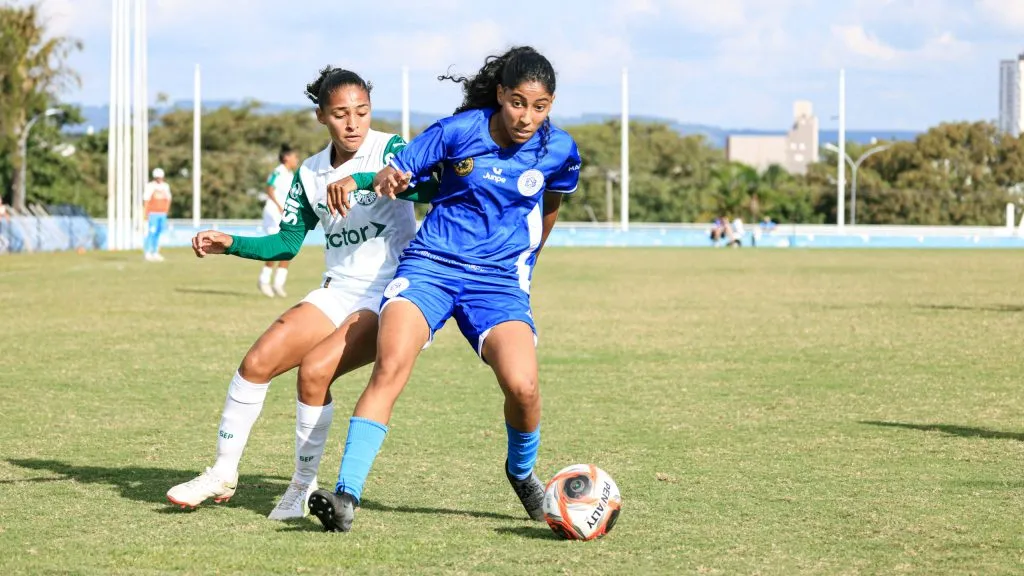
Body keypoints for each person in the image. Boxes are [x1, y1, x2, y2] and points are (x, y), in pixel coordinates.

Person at [307, 46, 582, 533]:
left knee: (523, 385)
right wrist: (389, 176)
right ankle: (346, 494)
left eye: (539, 107)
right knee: (391, 366)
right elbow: (401, 168)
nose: (526, 117)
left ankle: (520, 473)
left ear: (551, 105)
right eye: (518, 102)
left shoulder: (558, 148)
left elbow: (552, 202)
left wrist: (530, 259)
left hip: (497, 284)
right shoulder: (458, 131)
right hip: (431, 268)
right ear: (500, 95)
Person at [166, 66, 434, 520]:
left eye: (362, 112)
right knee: (256, 363)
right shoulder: (308, 173)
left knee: (314, 372)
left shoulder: (390, 148)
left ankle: (301, 486)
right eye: (341, 114)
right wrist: (231, 243)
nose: (353, 124)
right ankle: (222, 471)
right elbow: (287, 243)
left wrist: (370, 179)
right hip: (338, 290)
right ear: (321, 117)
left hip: (389, 292)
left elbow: (434, 186)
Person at [258, 144, 301, 298]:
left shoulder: (291, 175)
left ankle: (278, 283)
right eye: (295, 157)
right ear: (286, 158)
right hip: (274, 214)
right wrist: (278, 206)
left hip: (286, 215)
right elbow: (269, 188)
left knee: (288, 249)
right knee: (276, 248)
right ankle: (263, 281)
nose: (297, 160)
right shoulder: (278, 171)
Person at [143, 168, 171, 261]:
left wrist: (166, 211)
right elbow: (146, 200)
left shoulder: (165, 186)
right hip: (152, 214)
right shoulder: (150, 186)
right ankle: (148, 252)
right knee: (151, 232)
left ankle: (155, 252)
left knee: (158, 233)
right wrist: (146, 213)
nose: (160, 179)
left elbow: (168, 199)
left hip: (162, 214)